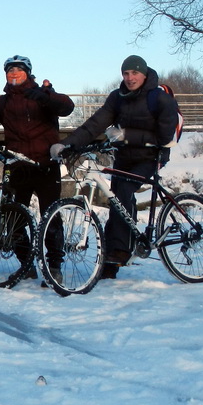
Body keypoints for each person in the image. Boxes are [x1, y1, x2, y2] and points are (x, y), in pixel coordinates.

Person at [52, 54, 180, 279]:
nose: (130, 78)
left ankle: (120, 251)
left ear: (144, 74)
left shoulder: (159, 99)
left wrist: (126, 134)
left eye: (135, 73)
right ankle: (112, 258)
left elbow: (164, 136)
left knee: (124, 191)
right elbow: (95, 124)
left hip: (151, 156)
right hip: (124, 157)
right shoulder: (117, 97)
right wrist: (67, 144)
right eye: (126, 73)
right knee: (116, 200)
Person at [0, 55, 75, 278]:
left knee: (51, 219)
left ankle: (54, 266)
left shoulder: (42, 95)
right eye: (10, 71)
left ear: (28, 73)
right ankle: (26, 264)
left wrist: (47, 95)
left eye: (18, 70)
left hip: (45, 165)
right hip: (18, 166)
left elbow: (67, 107)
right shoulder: (4, 102)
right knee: (13, 219)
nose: (14, 74)